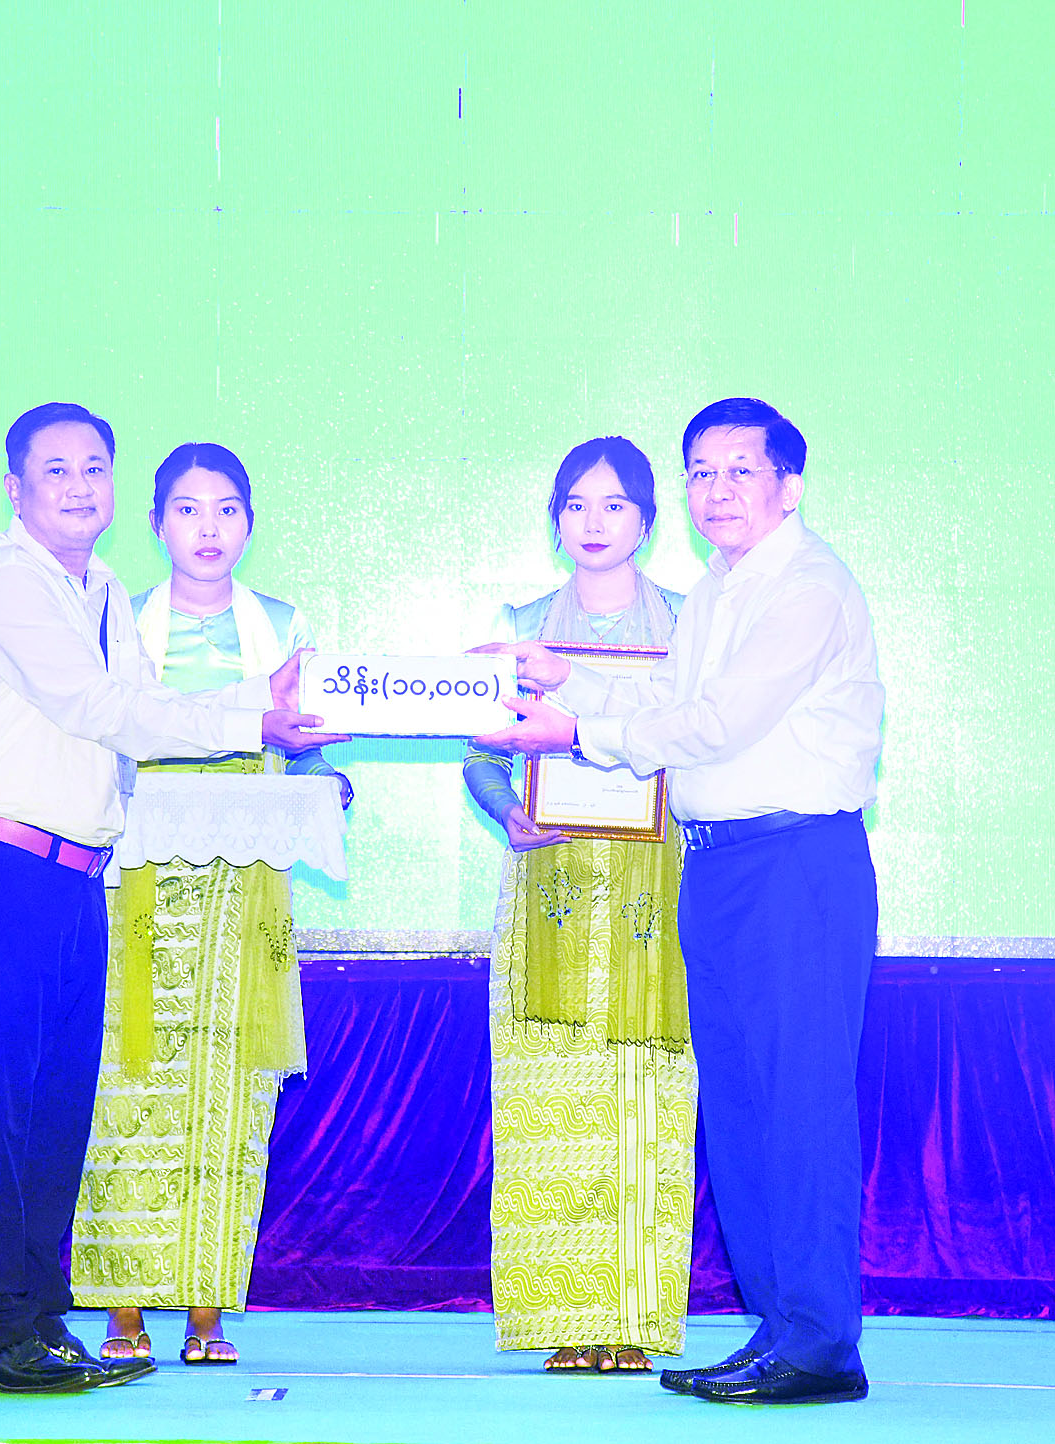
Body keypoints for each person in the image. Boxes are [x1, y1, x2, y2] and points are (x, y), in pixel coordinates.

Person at [477, 398, 883, 1406]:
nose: (716, 491)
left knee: (798, 1103)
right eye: (700, 471)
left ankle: (822, 1345)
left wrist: (571, 728)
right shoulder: (713, 590)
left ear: (789, 485)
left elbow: (715, 724)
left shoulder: (807, 587)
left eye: (739, 470)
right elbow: (662, 705)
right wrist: (564, 680)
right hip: (719, 867)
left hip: (795, 865)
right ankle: (778, 1327)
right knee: (742, 1108)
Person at [0, 405, 340, 1395]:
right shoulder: (6, 581)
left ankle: (39, 1318)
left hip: (78, 876)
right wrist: (256, 714)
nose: (79, 486)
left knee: (56, 1108)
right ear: (14, 487)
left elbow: (142, 717)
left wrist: (263, 713)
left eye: (94, 467)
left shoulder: (103, 587)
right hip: (2, 870)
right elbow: (105, 709)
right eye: (56, 469)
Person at [70, 443, 352, 1366]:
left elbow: (305, 746)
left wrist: (329, 783)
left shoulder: (284, 625)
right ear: (156, 523)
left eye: (227, 509)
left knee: (231, 1090)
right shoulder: (115, 618)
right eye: (188, 510)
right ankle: (120, 1309)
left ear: (249, 524)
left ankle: (207, 1307)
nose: (208, 529)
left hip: (244, 884)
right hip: (138, 886)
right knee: (126, 1087)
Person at [463, 437, 694, 1374]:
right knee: (550, 1103)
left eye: (614, 504)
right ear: (555, 519)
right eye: (575, 504)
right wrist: (504, 808)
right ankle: (563, 1317)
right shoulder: (523, 625)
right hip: (549, 890)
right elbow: (480, 751)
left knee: (648, 1102)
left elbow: (702, 742)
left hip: (654, 895)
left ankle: (634, 1320)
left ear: (647, 519)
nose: (593, 522)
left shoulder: (689, 623)